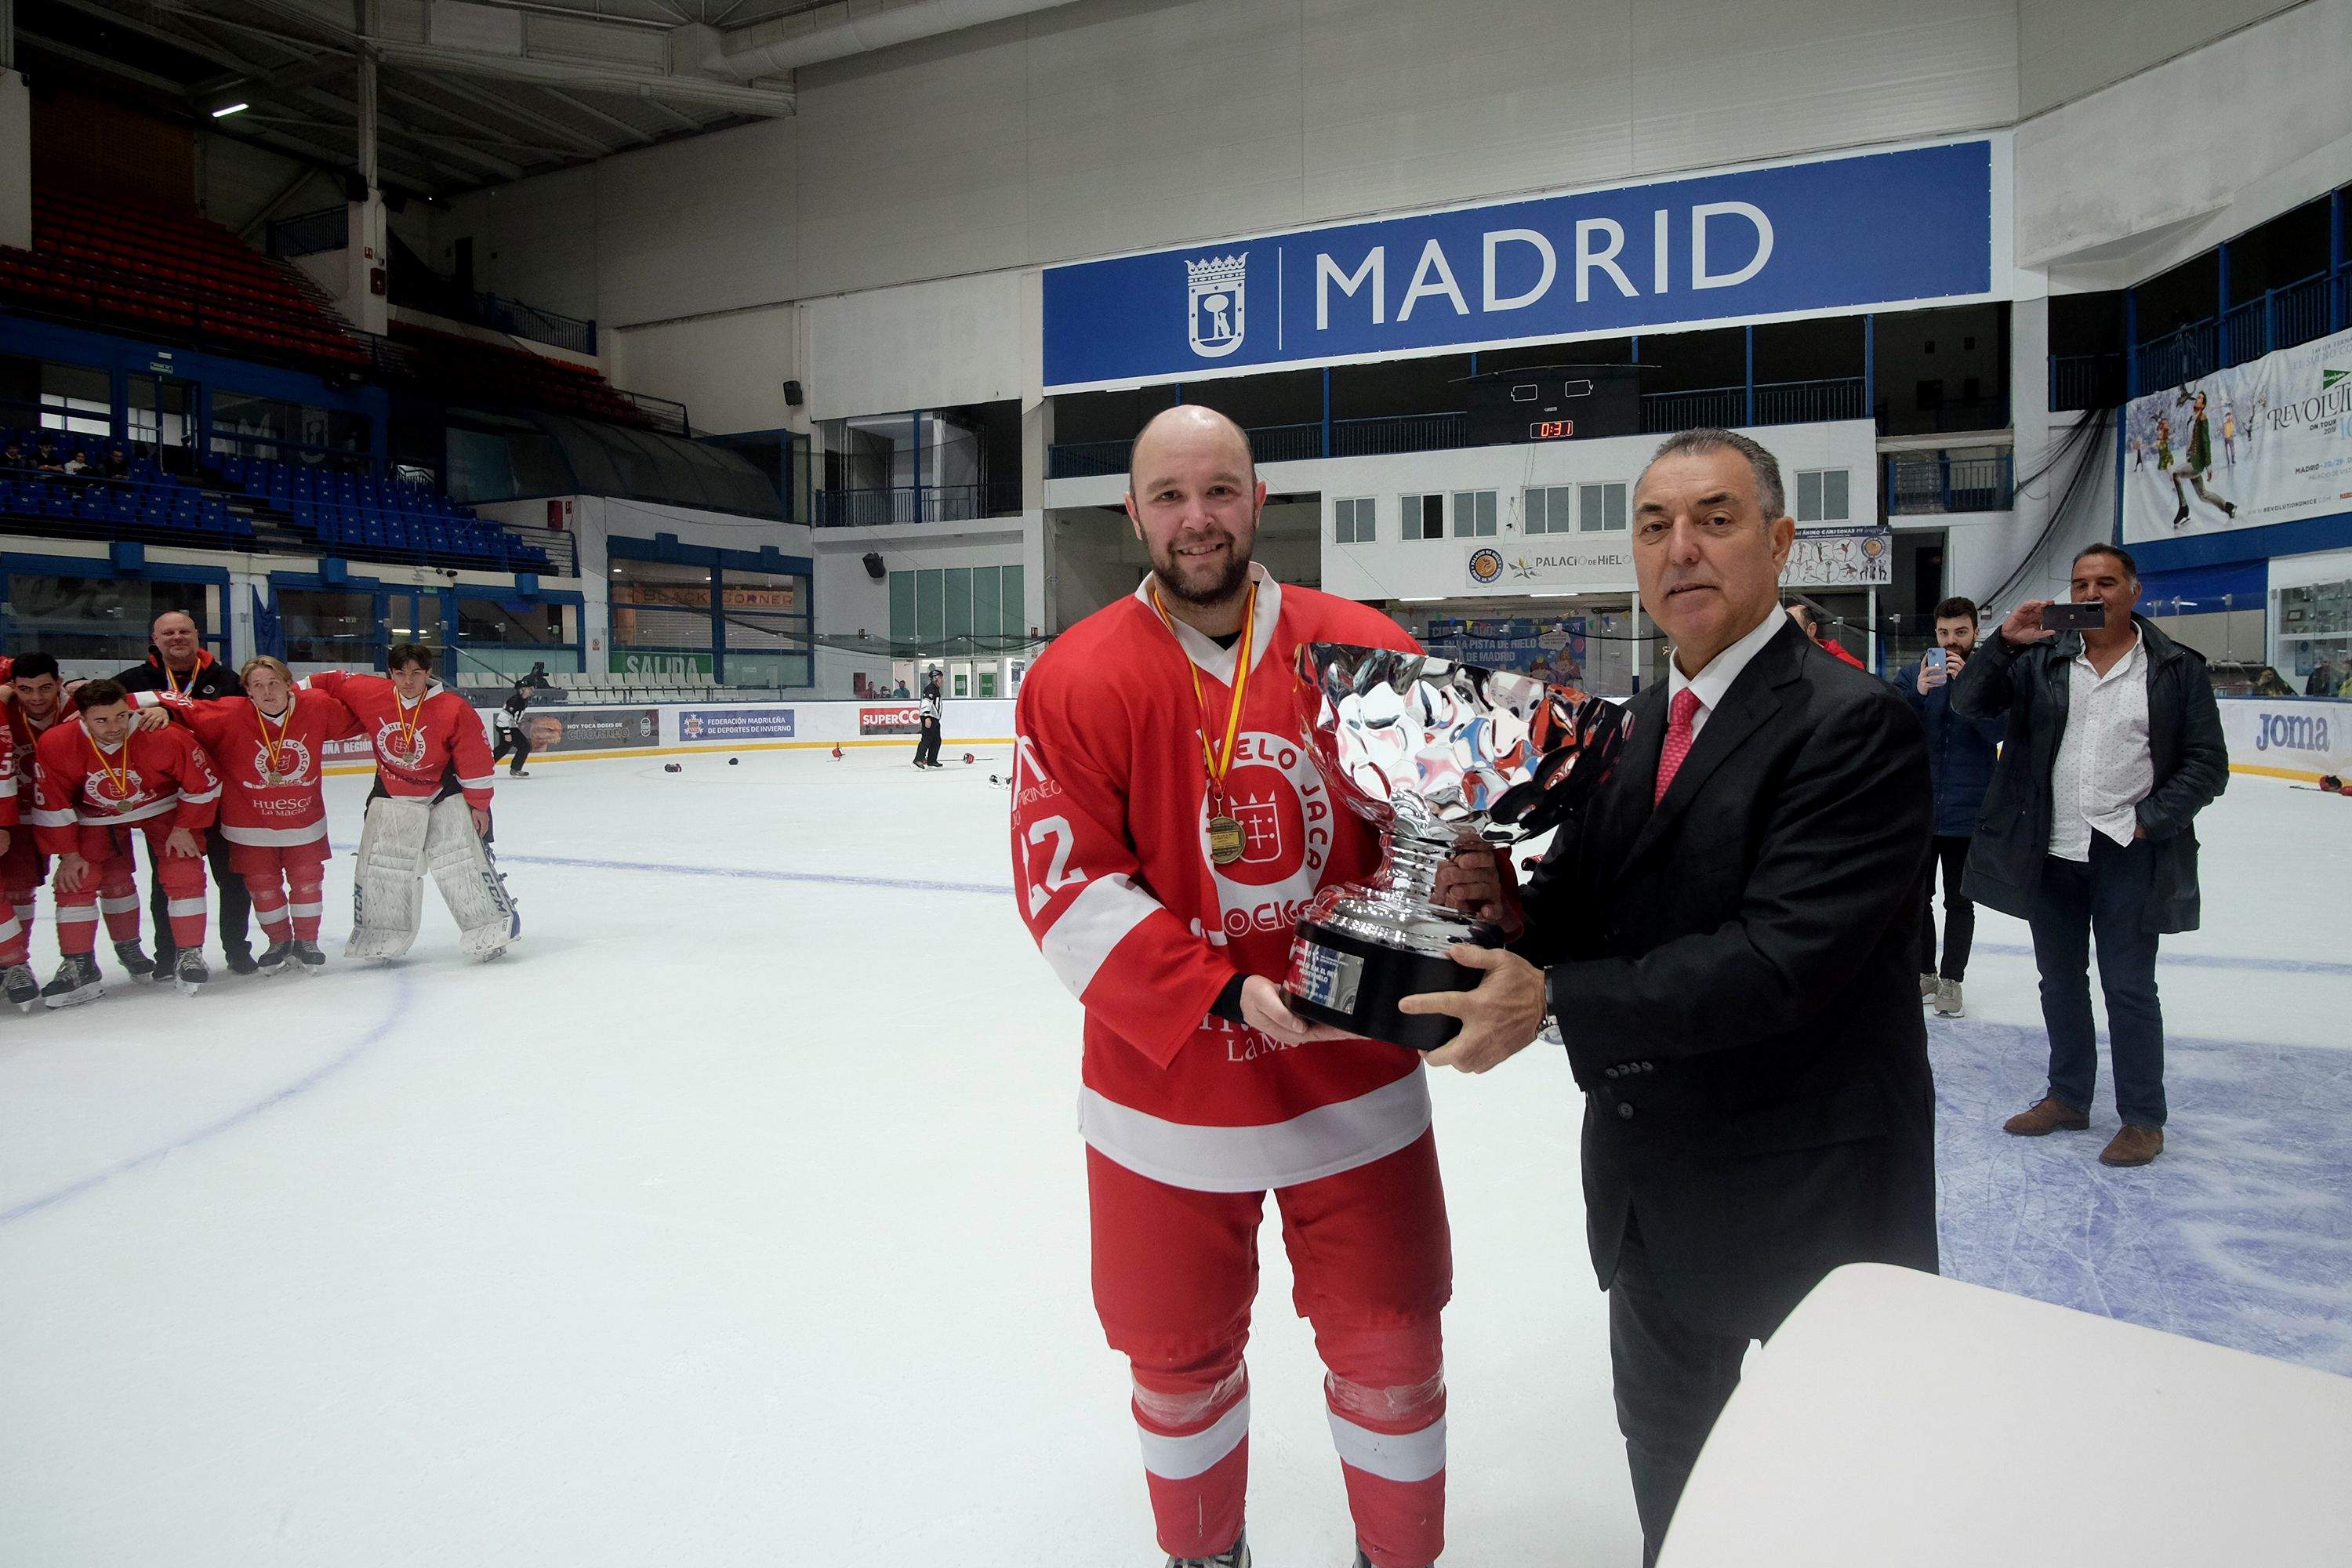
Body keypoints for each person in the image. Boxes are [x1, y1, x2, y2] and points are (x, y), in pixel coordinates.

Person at [1400, 428, 1938, 1565]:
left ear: (1781, 542)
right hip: (1655, 1205)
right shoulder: (1641, 722)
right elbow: (1601, 917)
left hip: (1810, 1202)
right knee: (1675, 1498)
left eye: (1716, 518)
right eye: (1655, 526)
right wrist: (1509, 905)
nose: (1681, 549)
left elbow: (1781, 958)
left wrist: (1549, 1004)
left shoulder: (1855, 724)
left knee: (1828, 1511)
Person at [1011, 405, 1450, 1568]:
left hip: (1350, 1080)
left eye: (1219, 491)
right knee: (1177, 1356)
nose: (1196, 518)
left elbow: (1433, 840)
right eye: (1170, 496)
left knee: (1394, 1349)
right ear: (1134, 515)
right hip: (1167, 1098)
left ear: (1259, 500)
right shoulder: (1076, 677)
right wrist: (1212, 989)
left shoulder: (1360, 644)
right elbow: (1066, 886)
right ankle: (1207, 1558)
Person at [1951, 543, 2228, 1167]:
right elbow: (1968, 704)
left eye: (2105, 582)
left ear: (2134, 591)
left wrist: (2148, 823)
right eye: (2080, 583)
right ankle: (2069, 1097)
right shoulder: (2043, 657)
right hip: (2050, 850)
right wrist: (2006, 642)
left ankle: (2142, 1118)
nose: (2091, 593)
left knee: (2129, 987)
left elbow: (2208, 764)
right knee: (2060, 983)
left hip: (2129, 854)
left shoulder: (2174, 667)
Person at [128, 656, 362, 974]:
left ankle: (307, 941)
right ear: (248, 691)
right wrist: (158, 709)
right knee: (262, 885)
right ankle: (278, 941)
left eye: (273, 683)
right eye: (257, 686)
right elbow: (180, 703)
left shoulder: (317, 706)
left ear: (288, 684)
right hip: (249, 822)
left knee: (307, 882)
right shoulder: (230, 711)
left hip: (302, 819)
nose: (267, 692)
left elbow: (367, 714)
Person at [301, 644, 518, 962]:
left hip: (443, 793)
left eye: (416, 673)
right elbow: (329, 682)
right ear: (390, 673)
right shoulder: (370, 691)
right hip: (391, 793)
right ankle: (381, 933)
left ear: (428, 673)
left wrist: (480, 805)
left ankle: (488, 923)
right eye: (400, 673)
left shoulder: (453, 708)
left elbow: (474, 758)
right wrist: (289, 694)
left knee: (461, 864)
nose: (408, 681)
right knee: (384, 867)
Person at [31, 679, 223, 1002]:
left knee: (184, 868)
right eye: (102, 720)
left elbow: (204, 783)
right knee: (76, 879)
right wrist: (68, 854)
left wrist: (185, 827)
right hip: (96, 814)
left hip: (162, 808)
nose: (114, 727)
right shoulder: (57, 743)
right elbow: (51, 801)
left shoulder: (162, 734)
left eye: (121, 716)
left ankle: (189, 953)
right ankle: (79, 963)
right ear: (81, 719)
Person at [114, 611, 254, 975]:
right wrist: (76, 683)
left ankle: (238, 950)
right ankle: (168, 954)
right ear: (155, 639)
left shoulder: (226, 679)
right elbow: (93, 703)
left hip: (222, 798)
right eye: (168, 633)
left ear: (197, 636)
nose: (177, 638)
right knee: (169, 882)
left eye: (184, 631)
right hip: (167, 804)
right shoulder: (132, 680)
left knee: (233, 878)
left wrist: (169, 708)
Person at [1893, 597, 2006, 1018]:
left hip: (1968, 811)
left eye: (1960, 632)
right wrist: (1921, 693)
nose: (1951, 641)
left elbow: (1998, 731)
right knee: (1918, 897)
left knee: (1959, 902)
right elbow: (1893, 728)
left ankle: (1952, 979)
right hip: (1920, 810)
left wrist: (1966, 690)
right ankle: (1923, 972)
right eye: (1944, 633)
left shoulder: (1990, 677)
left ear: (1975, 632)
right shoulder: (1913, 674)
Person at [0, 653, 73, 990]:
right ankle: (14, 965)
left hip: (71, 813)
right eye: (26, 689)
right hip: (15, 816)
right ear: (13, 687)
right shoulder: (4, 709)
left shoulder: (76, 706)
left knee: (84, 881)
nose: (37, 698)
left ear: (59, 683)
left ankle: (82, 958)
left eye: (46, 688)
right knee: (17, 887)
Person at [2168, 390, 2237, 527]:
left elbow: (2206, 442)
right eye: (2197, 397)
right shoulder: (2192, 419)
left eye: (2200, 398)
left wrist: (2208, 466)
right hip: (2190, 460)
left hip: (2197, 463)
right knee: (2203, 495)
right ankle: (2229, 507)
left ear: (2203, 404)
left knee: (2176, 474)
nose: (2197, 399)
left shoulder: (2202, 419)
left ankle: (2184, 509)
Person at [493, 690, 533, 777]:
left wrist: (523, 720)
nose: (532, 690)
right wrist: (507, 733)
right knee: (525, 746)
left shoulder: (523, 700)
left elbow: (514, 716)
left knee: (503, 748)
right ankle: (516, 769)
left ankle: (484, 766)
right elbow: (503, 717)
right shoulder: (515, 700)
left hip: (508, 726)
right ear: (522, 689)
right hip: (505, 726)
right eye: (530, 688)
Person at [911, 675, 944, 769]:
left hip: (934, 718)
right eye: (941, 678)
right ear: (935, 678)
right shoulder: (930, 689)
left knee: (936, 740)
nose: (942, 680)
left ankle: (932, 760)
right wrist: (927, 717)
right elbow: (926, 703)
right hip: (930, 717)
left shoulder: (935, 689)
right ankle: (918, 759)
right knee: (927, 739)